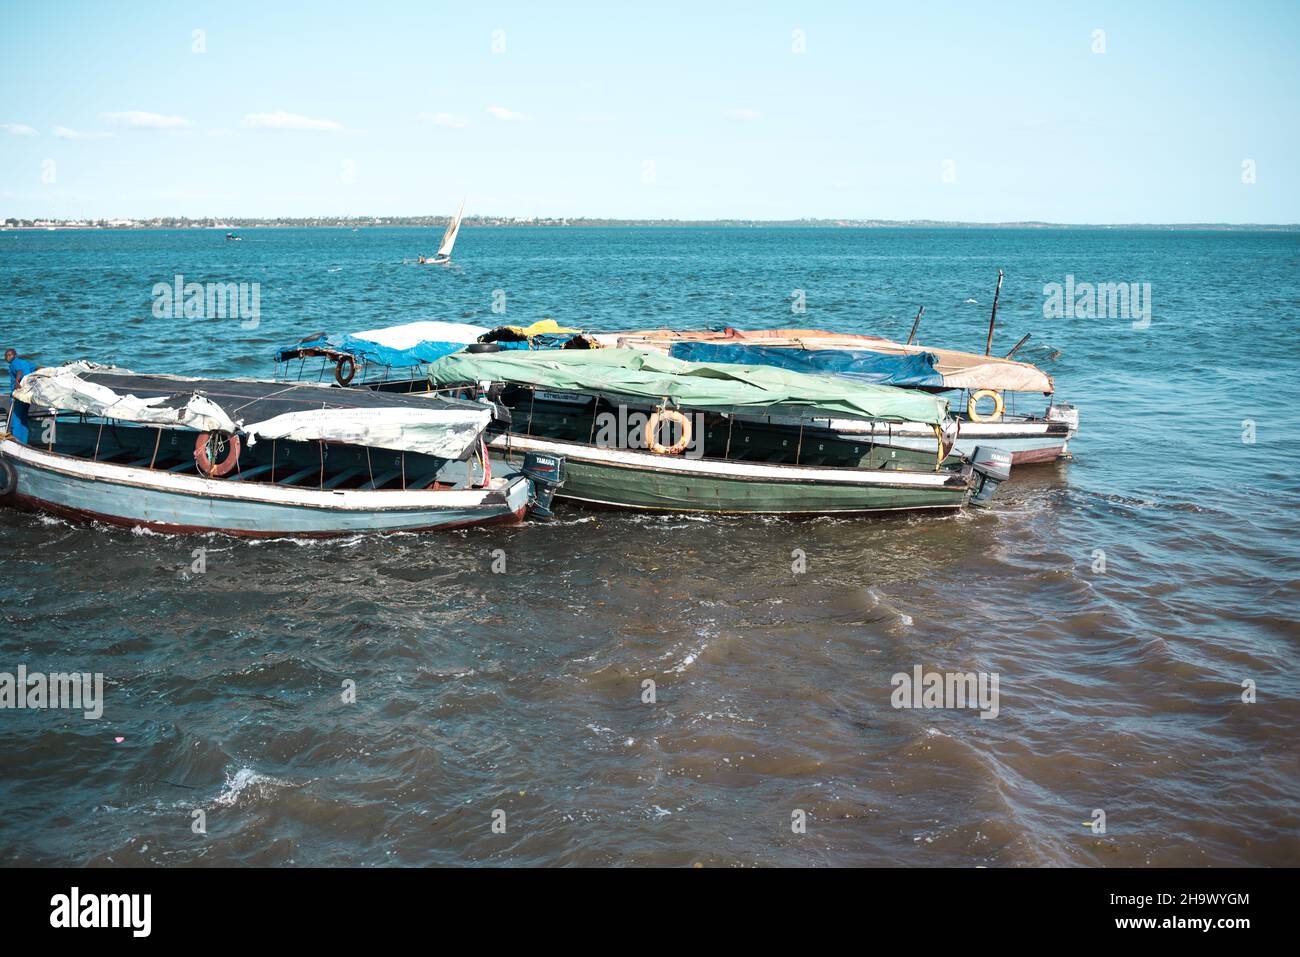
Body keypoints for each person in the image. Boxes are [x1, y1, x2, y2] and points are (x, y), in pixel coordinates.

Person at [5, 348, 36, 444]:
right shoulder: (26, 362)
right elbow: (36, 368)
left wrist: (17, 381)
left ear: (15, 355)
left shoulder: (14, 363)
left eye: (9, 355)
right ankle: (24, 443)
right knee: (23, 419)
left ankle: (17, 442)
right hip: (26, 395)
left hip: (18, 396)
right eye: (6, 355)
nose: (7, 357)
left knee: (16, 420)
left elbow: (19, 371)